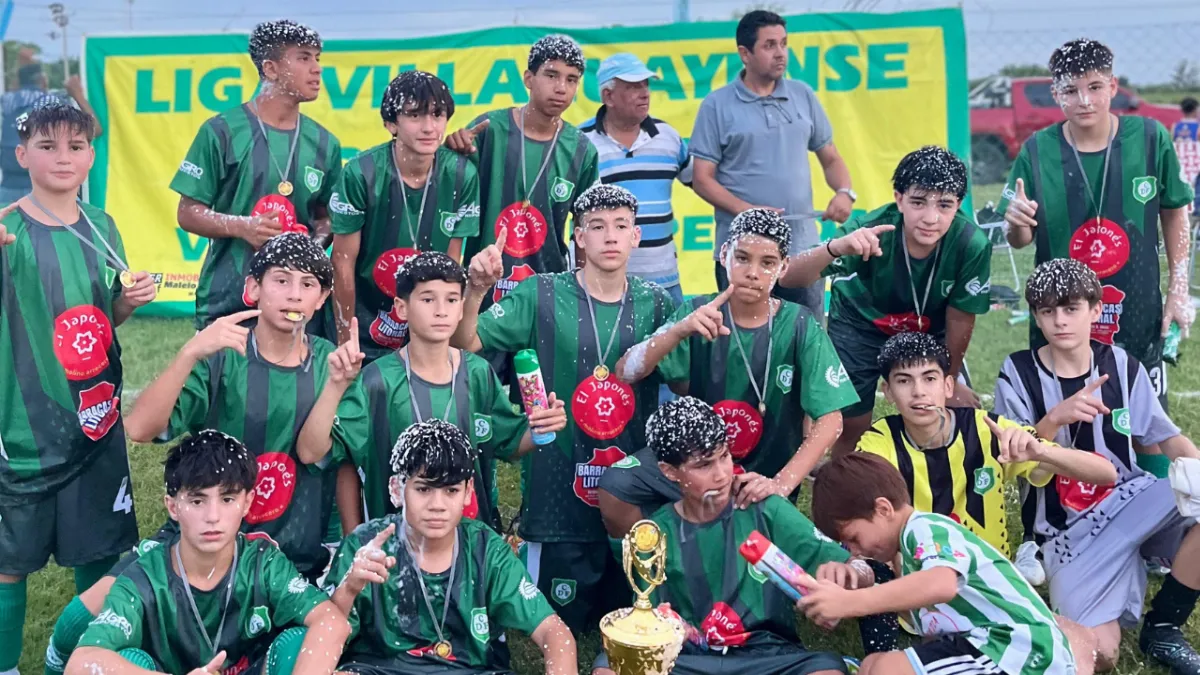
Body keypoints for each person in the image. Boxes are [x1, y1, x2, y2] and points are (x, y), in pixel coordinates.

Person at [43, 232, 359, 674]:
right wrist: (191, 351)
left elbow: (314, 452)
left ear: (323, 297)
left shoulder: (333, 364)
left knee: (293, 641)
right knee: (79, 619)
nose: (294, 293)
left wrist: (336, 385)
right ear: (253, 289)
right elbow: (138, 427)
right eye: (281, 280)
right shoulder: (223, 355)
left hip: (284, 547)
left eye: (308, 284)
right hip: (193, 533)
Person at [451, 183, 676, 635]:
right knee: (561, 627)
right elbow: (466, 343)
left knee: (637, 624)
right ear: (578, 236)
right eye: (597, 227)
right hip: (556, 500)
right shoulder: (541, 293)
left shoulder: (658, 303)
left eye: (621, 226)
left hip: (632, 500)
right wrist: (475, 288)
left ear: (636, 237)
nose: (610, 236)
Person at [0, 101, 156, 675]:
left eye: (75, 146)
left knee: (100, 546)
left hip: (96, 419)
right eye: (47, 146)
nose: (63, 157)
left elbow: (96, 323)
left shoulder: (102, 226)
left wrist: (125, 303)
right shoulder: (8, 230)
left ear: (91, 155)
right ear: (22, 155)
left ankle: (77, 654)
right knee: (8, 560)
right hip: (25, 427)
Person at [994, 258, 1200, 673]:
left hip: (1130, 501)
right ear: (1036, 316)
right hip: (1069, 532)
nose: (1059, 321)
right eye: (1048, 311)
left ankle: (1163, 625)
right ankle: (1120, 574)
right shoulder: (1017, 373)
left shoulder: (1123, 366)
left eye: (1071, 309)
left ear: (1095, 309)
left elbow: (1165, 437)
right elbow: (1023, 464)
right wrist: (1055, 418)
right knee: (1098, 654)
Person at [600, 208, 857, 536]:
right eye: (743, 257)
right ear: (724, 255)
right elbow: (626, 371)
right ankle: (664, 569)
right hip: (695, 469)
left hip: (760, 479)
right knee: (616, 486)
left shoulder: (800, 324)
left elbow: (831, 419)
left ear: (783, 267)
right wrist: (679, 331)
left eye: (766, 263)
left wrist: (781, 483)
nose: (753, 272)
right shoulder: (699, 312)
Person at [593, 397, 873, 675]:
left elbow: (862, 571)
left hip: (767, 654)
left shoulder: (764, 507)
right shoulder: (654, 533)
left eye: (724, 456)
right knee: (608, 667)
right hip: (687, 658)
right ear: (669, 471)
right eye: (704, 465)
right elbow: (648, 621)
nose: (722, 474)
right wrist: (667, 627)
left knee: (827, 670)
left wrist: (849, 574)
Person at [295, 250, 567, 527]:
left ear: (461, 308)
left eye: (451, 300)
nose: (441, 310)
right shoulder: (377, 381)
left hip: (471, 545)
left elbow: (509, 443)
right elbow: (314, 454)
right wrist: (335, 384)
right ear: (402, 308)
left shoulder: (478, 374)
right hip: (395, 549)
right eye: (427, 299)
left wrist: (540, 429)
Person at [1001, 38, 1195, 411]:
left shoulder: (1152, 138)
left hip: (1136, 304)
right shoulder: (1037, 151)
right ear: (1056, 93)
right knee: (1066, 420)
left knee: (1146, 423)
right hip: (1060, 310)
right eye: (1071, 90)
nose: (1084, 100)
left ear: (1113, 86)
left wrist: (1178, 288)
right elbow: (1020, 239)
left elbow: (1175, 211)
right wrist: (1016, 221)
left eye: (1094, 87)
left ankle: (1149, 470)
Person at [65, 431, 350, 675]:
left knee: (298, 643)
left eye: (227, 499)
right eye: (198, 500)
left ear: (247, 502)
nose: (213, 516)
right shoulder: (143, 578)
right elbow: (81, 662)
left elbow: (332, 621)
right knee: (128, 660)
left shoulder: (262, 563)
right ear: (173, 506)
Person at [780, 145, 990, 456]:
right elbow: (787, 276)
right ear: (899, 197)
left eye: (945, 205)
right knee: (852, 421)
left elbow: (960, 317)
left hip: (929, 326)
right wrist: (836, 247)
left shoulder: (970, 243)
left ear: (959, 204)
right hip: (860, 324)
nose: (931, 218)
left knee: (937, 408)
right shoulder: (871, 229)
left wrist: (950, 378)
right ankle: (848, 474)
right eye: (918, 202)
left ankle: (928, 473)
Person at [328, 419, 578, 674]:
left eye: (451, 490)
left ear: (468, 492)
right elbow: (326, 632)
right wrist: (349, 588)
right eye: (424, 489)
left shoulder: (486, 550)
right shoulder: (364, 545)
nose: (437, 504)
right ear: (396, 489)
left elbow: (554, 631)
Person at [803, 452, 1085, 675]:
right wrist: (856, 587)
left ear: (883, 509)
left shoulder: (925, 528)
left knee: (886, 668)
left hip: (1019, 651)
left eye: (853, 538)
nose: (854, 549)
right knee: (873, 664)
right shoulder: (910, 556)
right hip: (993, 652)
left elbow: (941, 584)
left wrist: (850, 602)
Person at [856, 331, 1117, 558]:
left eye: (929, 378)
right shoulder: (879, 442)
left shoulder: (987, 429)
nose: (918, 391)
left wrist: (1041, 450)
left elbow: (1105, 474)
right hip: (916, 579)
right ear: (887, 391)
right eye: (904, 380)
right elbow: (853, 511)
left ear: (949, 386)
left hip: (988, 578)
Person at [171, 19, 343, 332]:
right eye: (304, 58)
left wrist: (311, 245)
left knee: (296, 383)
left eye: (318, 59)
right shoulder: (221, 131)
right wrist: (242, 226)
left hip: (296, 306)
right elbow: (188, 213)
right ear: (271, 69)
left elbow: (326, 219)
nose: (316, 68)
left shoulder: (325, 143)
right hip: (228, 302)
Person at [691, 9, 854, 318]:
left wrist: (845, 191)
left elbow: (831, 157)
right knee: (743, 345)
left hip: (802, 254)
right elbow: (702, 179)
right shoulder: (716, 105)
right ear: (745, 53)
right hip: (742, 256)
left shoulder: (803, 95)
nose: (780, 54)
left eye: (784, 44)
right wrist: (748, 213)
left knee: (804, 342)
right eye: (769, 46)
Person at [330, 70, 481, 360]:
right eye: (415, 116)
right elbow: (342, 264)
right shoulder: (361, 173)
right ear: (391, 124)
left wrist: (441, 341)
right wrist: (345, 339)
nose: (428, 127)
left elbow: (450, 267)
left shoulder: (462, 175)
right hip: (363, 316)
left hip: (423, 323)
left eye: (437, 115)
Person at [444, 34, 600, 306]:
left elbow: (586, 229)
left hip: (549, 293)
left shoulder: (581, 150)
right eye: (551, 75)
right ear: (529, 79)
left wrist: (584, 292)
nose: (561, 87)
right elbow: (447, 200)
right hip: (482, 291)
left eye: (571, 79)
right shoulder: (489, 130)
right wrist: (450, 151)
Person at [580, 52, 693, 303]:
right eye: (633, 87)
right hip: (602, 288)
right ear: (608, 96)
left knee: (673, 343)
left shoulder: (668, 137)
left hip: (665, 284)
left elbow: (703, 181)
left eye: (646, 84)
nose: (645, 93)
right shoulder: (580, 142)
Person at [1, 60, 102, 204]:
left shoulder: (6, 101)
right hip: (47, 189)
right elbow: (94, 129)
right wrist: (77, 94)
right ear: (42, 80)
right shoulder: (50, 100)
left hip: (9, 187)